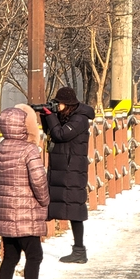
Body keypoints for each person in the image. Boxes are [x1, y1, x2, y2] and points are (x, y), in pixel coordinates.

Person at [0, 105, 52, 279]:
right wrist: (45, 201)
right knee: (34, 254)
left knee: (10, 256)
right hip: (27, 211)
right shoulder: (29, 150)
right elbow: (39, 180)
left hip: (6, 212)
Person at [41, 86, 95, 263]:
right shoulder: (68, 116)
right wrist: (45, 116)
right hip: (63, 167)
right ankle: (35, 242)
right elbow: (50, 132)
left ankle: (79, 251)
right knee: (61, 206)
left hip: (72, 169)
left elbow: (60, 134)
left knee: (75, 209)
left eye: (59, 103)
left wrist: (50, 115)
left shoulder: (80, 119)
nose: (58, 106)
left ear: (68, 104)